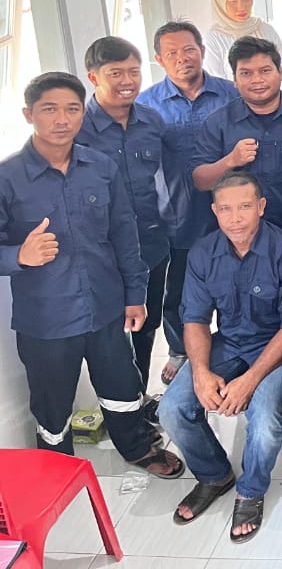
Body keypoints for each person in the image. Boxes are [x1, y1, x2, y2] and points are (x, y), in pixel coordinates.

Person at [0, 72, 183, 476]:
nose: (61, 119)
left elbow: (124, 235)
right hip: (46, 321)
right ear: (29, 114)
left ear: (82, 114)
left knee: (122, 386)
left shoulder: (100, 167)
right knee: (51, 403)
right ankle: (57, 469)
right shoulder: (7, 177)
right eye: (49, 109)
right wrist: (19, 256)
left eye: (72, 109)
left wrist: (135, 296)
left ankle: (137, 448)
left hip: (105, 308)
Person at [160, 171, 282, 543]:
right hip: (229, 342)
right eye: (225, 209)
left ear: (261, 206)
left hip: (278, 347)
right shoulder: (203, 253)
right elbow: (194, 319)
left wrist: (249, 381)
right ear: (215, 211)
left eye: (244, 207)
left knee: (265, 418)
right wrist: (201, 372)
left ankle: (251, 490)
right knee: (172, 408)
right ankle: (214, 475)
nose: (235, 218)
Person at [76, 36, 180, 390]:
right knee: (108, 336)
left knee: (145, 327)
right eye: (116, 73)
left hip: (151, 246)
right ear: (94, 77)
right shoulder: (78, 130)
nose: (127, 81)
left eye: (134, 72)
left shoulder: (151, 121)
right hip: (101, 253)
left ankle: (139, 398)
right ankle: (119, 407)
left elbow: (170, 175)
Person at [138, 21, 239, 385]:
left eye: (189, 50)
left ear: (202, 51)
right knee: (177, 290)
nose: (182, 58)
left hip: (231, 211)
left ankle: (234, 344)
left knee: (235, 283)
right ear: (159, 59)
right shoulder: (146, 105)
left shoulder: (231, 94)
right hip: (176, 212)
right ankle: (180, 350)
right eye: (172, 53)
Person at [192, 37, 282, 241]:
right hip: (239, 239)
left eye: (265, 71)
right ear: (235, 80)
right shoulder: (218, 122)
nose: (257, 80)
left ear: (280, 72)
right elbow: (200, 181)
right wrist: (231, 160)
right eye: (246, 73)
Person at [204, 0, 282, 80]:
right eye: (233, 1)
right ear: (220, 3)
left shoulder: (264, 29)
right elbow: (217, 81)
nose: (241, 7)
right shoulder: (213, 38)